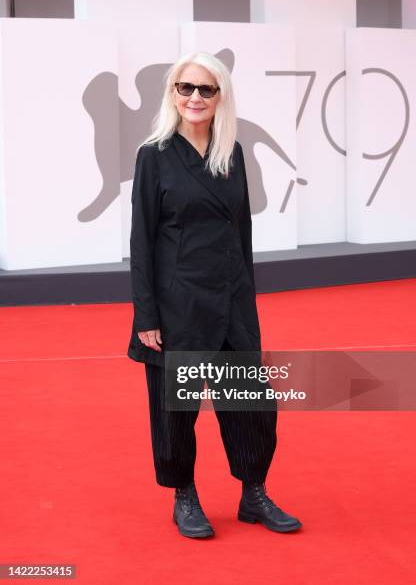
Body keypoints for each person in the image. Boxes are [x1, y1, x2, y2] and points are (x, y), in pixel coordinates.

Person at [127, 52, 302, 538]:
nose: (195, 98)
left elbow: (240, 233)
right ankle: (185, 496)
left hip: (232, 302)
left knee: (250, 404)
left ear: (220, 96)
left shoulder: (233, 153)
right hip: (177, 304)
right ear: (173, 94)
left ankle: (254, 494)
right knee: (176, 412)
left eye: (206, 89)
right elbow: (142, 241)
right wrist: (147, 315)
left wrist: (246, 298)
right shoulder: (154, 155)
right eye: (186, 88)